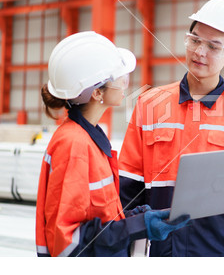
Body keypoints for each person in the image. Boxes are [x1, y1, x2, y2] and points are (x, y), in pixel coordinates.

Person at [118, 0, 224, 257]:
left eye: (213, 46)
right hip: (161, 251)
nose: (199, 52)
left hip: (218, 252)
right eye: (194, 40)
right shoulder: (149, 104)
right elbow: (127, 187)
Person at [35, 31, 189, 257]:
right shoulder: (74, 145)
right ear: (97, 92)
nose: (126, 84)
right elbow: (69, 242)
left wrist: (132, 217)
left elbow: (95, 214)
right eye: (120, 78)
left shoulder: (89, 138)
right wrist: (138, 226)